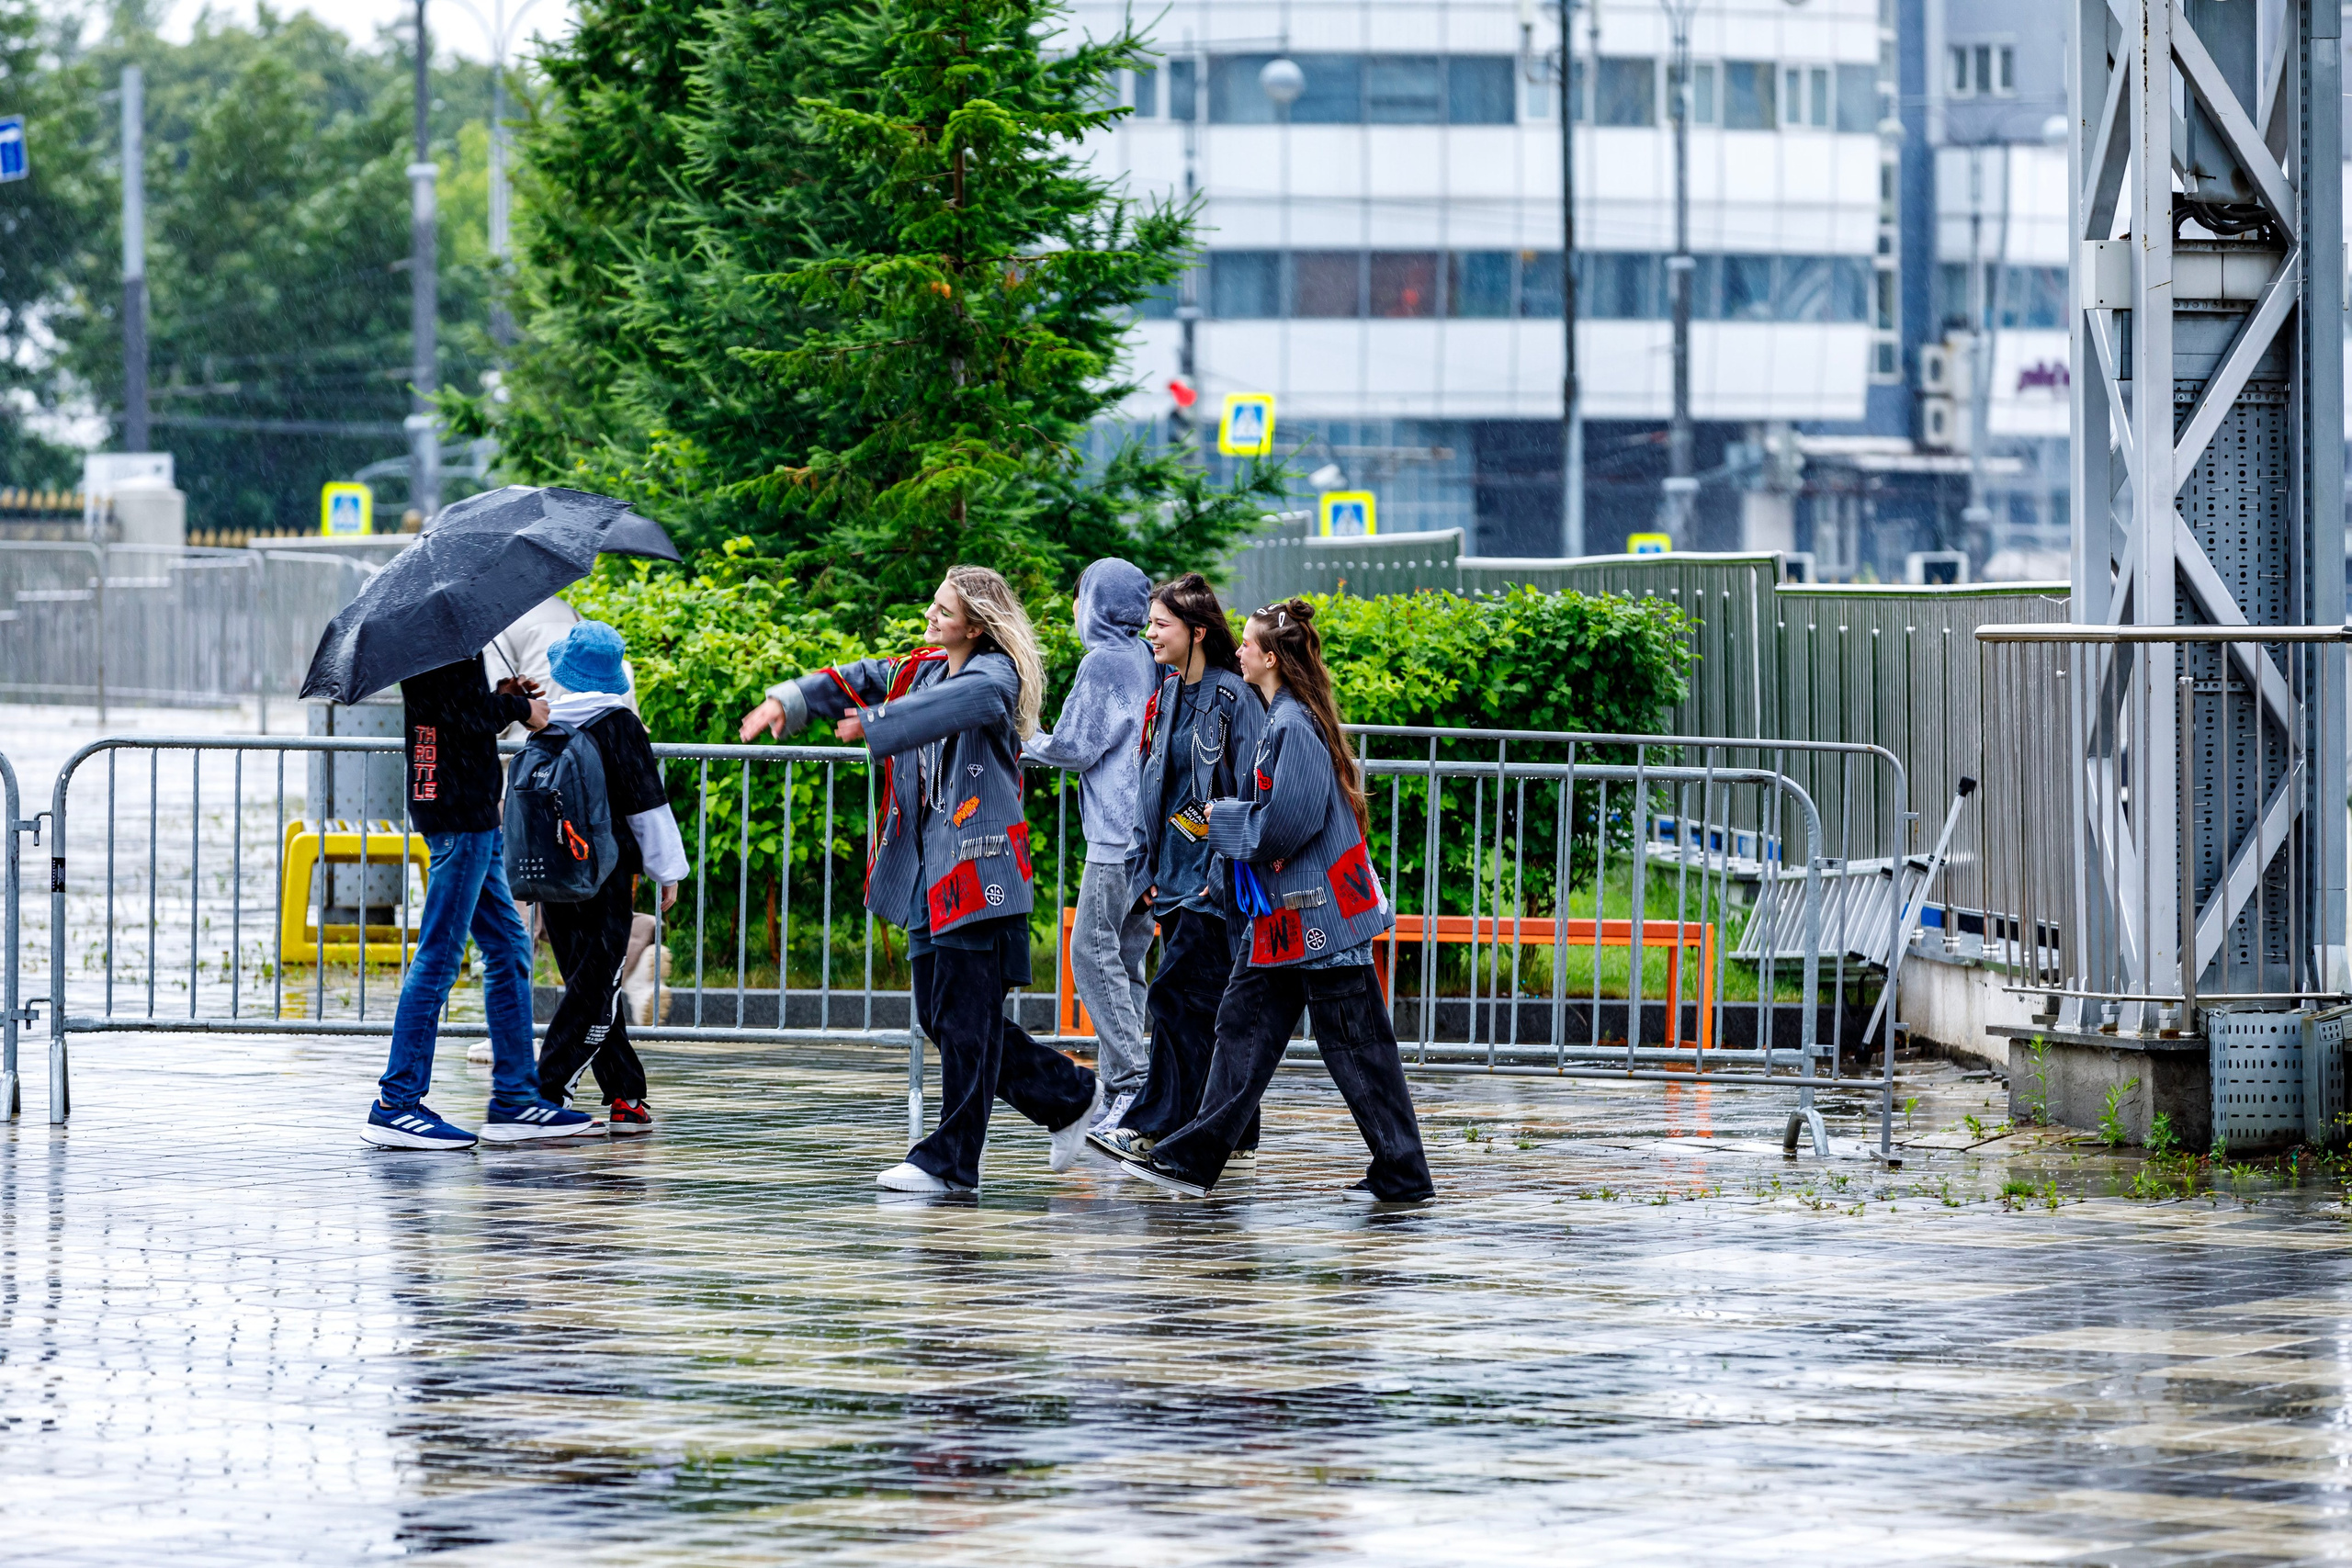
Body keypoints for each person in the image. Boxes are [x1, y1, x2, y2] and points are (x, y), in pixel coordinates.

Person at [738, 565, 1100, 1192]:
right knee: (946, 1015)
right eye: (932, 606)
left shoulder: (995, 676)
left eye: (944, 611)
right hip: (930, 876)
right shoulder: (925, 668)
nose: (930, 618)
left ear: (977, 625)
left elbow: (959, 705)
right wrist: (786, 699)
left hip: (980, 870)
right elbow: (861, 677)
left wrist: (880, 724)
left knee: (964, 1021)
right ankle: (1067, 1095)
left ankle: (952, 1162)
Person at [1120, 599, 1434, 1204]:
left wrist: (1215, 826)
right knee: (1243, 1030)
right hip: (1286, 918)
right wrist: (1203, 839)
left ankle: (1403, 1172)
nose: (1236, 651)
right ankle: (1190, 1158)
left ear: (1269, 657)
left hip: (1319, 920)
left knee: (1356, 1051)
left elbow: (1279, 824)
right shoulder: (1270, 714)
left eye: (1247, 643)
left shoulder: (1287, 723)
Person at [361, 651, 601, 1149]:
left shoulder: (431, 638)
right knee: (440, 957)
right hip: (460, 812)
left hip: (466, 812)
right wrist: (517, 709)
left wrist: (505, 694)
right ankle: (396, 1103)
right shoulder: (445, 645)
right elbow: (466, 716)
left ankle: (515, 1098)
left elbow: (454, 708)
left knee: (510, 949)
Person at [1089, 573, 1266, 1165]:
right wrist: (1149, 872)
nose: (1150, 633)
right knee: (1209, 1007)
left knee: (1173, 998)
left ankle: (1151, 1123)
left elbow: (1245, 794)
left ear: (1196, 631)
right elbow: (1153, 790)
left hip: (1216, 888)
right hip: (1170, 881)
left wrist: (1211, 871)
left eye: (1161, 624)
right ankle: (1234, 1128)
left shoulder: (1233, 698)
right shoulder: (1165, 692)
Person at [531, 621, 690, 1132]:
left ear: (564, 674)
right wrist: (669, 872)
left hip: (554, 876)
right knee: (595, 986)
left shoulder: (548, 727)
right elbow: (648, 807)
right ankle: (544, 1090)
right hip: (605, 877)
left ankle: (626, 1094)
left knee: (590, 981)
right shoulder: (619, 725)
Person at [1020, 559, 1156, 1134]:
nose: (1075, 611)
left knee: (1090, 952)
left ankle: (1131, 1085)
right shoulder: (1147, 657)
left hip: (1115, 836)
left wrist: (1023, 740)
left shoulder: (1104, 662)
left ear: (1096, 604)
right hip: (1147, 836)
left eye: (1080, 599)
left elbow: (1076, 746)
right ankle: (1134, 1090)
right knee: (1127, 959)